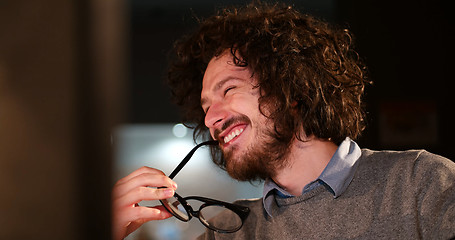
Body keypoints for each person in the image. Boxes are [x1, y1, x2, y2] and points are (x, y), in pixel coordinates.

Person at [112, 2, 455, 239]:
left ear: (292, 87)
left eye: (229, 89)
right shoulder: (228, 231)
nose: (211, 118)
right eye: (205, 108)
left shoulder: (422, 185)